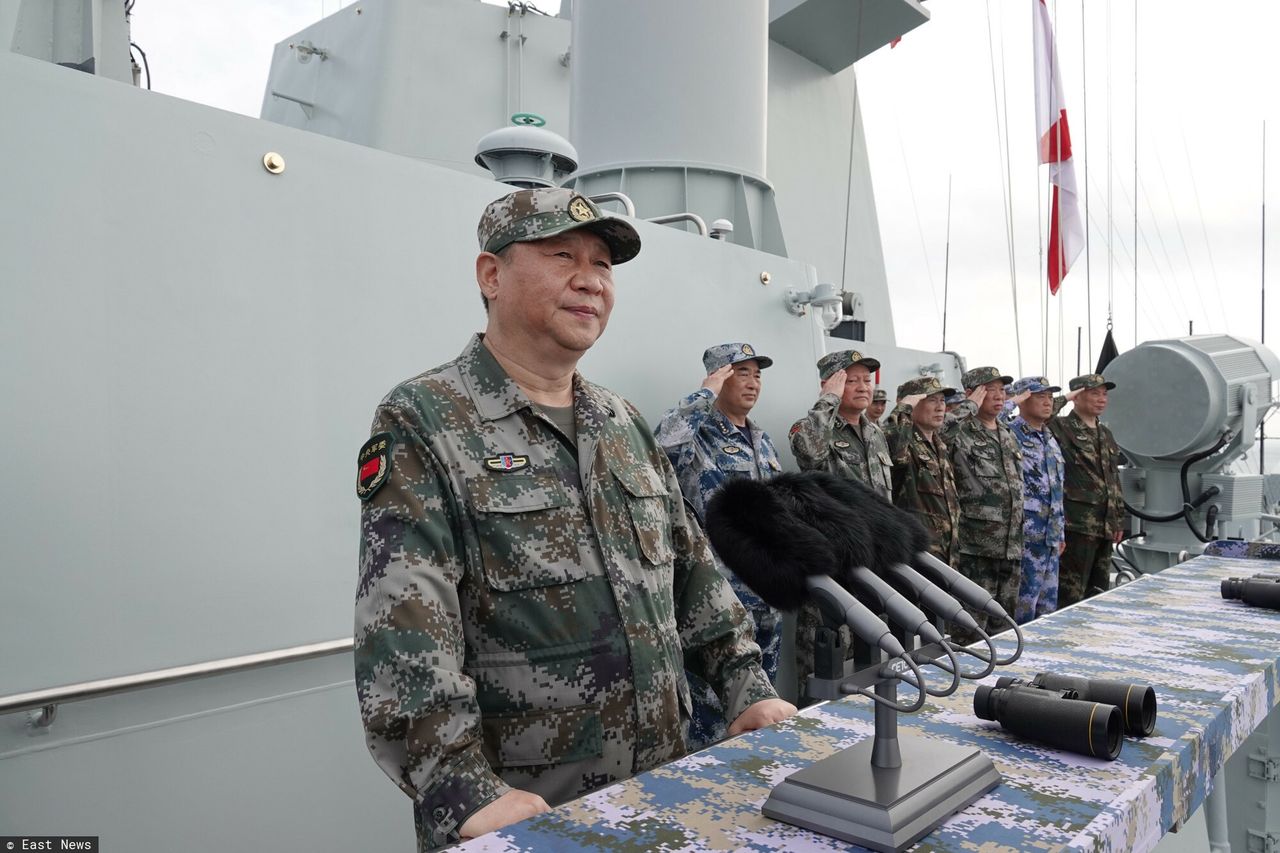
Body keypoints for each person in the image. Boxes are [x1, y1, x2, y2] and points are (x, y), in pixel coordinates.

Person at [354, 188, 794, 850]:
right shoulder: (425, 417)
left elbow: (693, 573)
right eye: (562, 254)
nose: (590, 279)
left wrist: (746, 688)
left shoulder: (622, 422)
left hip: (660, 795)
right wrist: (463, 789)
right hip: (529, 815)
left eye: (603, 263)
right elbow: (405, 625)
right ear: (492, 274)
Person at [654, 343, 784, 748]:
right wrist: (704, 394)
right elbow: (662, 448)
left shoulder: (762, 441)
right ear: (719, 378)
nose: (752, 382)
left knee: (762, 705)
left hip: (766, 593)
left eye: (757, 374)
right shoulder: (698, 435)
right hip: (718, 599)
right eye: (741, 373)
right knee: (712, 712)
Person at [789, 350, 892, 698]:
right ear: (830, 384)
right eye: (851, 380)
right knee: (825, 664)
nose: (864, 387)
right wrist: (827, 401)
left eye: (867, 380)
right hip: (832, 568)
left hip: (873, 567)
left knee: (868, 663)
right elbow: (808, 452)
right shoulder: (811, 428)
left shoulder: (875, 434)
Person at [945, 366, 1024, 641]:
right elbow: (939, 433)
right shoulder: (960, 431)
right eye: (990, 389)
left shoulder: (1007, 434)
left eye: (1002, 390)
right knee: (969, 629)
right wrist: (968, 407)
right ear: (972, 394)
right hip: (975, 548)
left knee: (1003, 627)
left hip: (1011, 547)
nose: (999, 396)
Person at [1048, 373, 1126, 606]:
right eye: (1094, 394)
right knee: (1070, 594)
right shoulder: (1062, 427)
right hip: (1076, 525)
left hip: (1104, 526)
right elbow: (1040, 415)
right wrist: (1065, 397)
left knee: (1099, 592)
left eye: (1104, 395)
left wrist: (1119, 519)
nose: (1102, 399)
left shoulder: (1106, 434)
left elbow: (1113, 479)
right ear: (1077, 397)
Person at [1003, 376, 1066, 623]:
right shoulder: (1011, 432)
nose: (1048, 402)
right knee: (1022, 610)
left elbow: (1056, 488)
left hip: (1050, 538)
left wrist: (1060, 533)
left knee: (1047, 611)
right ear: (1024, 400)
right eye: (1040, 397)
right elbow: (985, 421)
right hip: (1025, 537)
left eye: (1050, 397)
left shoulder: (1050, 438)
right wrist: (1013, 401)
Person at [884, 376, 962, 563]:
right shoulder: (903, 442)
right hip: (918, 556)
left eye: (942, 400)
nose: (940, 407)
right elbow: (893, 446)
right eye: (931, 400)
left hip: (948, 554)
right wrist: (903, 409)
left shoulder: (940, 446)